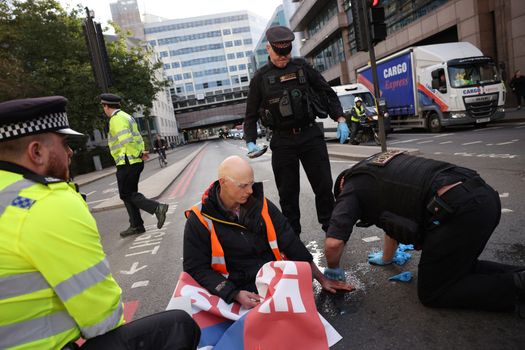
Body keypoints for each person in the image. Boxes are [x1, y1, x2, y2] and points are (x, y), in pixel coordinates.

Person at [0, 96, 201, 349]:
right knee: (178, 325)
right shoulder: (47, 203)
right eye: (64, 143)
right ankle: (152, 212)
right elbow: (103, 321)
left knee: (128, 194)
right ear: (37, 152)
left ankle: (139, 221)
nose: (71, 151)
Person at [322, 150, 525, 316]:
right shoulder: (375, 168)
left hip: (460, 212)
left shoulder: (350, 189)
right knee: (460, 268)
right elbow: (390, 221)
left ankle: (514, 287)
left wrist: (333, 275)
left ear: (341, 188)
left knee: (433, 292)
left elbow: (333, 243)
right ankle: (518, 275)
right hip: (484, 198)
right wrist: (386, 258)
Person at [183, 156, 354, 308]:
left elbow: (290, 240)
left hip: (272, 282)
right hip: (235, 291)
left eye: (251, 184)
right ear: (223, 183)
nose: (250, 191)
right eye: (243, 186)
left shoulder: (260, 204)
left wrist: (321, 278)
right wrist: (233, 293)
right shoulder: (199, 219)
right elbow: (196, 267)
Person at [243, 26, 348, 235]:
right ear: (268, 49)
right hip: (282, 141)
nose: (284, 58)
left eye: (287, 53)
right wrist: (250, 141)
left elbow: (326, 92)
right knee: (288, 194)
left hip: (310, 135)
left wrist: (340, 118)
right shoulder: (260, 78)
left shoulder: (301, 67)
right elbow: (251, 114)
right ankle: (293, 239)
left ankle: (331, 231)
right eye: (279, 54)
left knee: (324, 187)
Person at [101, 93, 168, 238]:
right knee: (129, 194)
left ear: (106, 106)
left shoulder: (116, 119)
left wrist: (137, 154)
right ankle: (136, 225)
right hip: (133, 161)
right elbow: (137, 137)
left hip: (127, 162)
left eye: (103, 107)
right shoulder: (127, 116)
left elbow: (126, 141)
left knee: (126, 194)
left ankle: (157, 208)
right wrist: (140, 152)